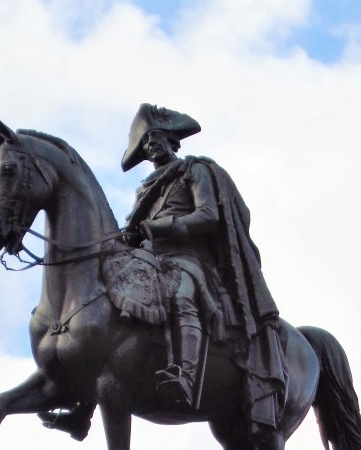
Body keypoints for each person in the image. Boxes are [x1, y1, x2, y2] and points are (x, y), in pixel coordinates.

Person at [117, 103, 286, 421]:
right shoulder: (146, 191)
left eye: (155, 137)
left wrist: (162, 227)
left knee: (180, 295)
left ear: (171, 140)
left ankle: (185, 375)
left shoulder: (194, 171)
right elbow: (136, 233)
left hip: (189, 259)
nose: (151, 145)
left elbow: (208, 215)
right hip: (151, 260)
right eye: (145, 143)